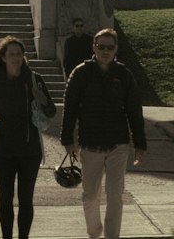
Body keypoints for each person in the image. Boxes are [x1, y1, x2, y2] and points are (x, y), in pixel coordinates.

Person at [61, 29, 145, 239]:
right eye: (101, 47)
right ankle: (94, 232)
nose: (105, 51)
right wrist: (67, 139)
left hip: (118, 143)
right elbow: (70, 107)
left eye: (110, 47)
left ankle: (111, 236)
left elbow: (134, 110)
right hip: (90, 144)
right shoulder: (81, 73)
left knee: (115, 196)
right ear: (94, 48)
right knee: (90, 196)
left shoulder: (124, 75)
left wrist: (140, 143)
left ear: (116, 49)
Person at [0, 37, 53, 239]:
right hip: (5, 150)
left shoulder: (34, 79)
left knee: (26, 200)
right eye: (11, 54)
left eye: (19, 54)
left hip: (30, 150)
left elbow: (51, 111)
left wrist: (42, 99)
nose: (16, 58)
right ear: (3, 57)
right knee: (5, 199)